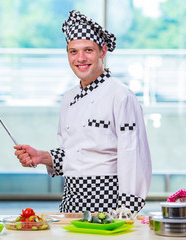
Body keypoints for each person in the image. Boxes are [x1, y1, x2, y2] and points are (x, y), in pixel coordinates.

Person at [14, 10, 152, 213]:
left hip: (109, 202)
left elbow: (133, 154)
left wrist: (127, 207)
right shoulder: (68, 98)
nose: (80, 58)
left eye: (88, 50)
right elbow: (74, 153)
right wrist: (41, 156)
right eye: (73, 51)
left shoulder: (121, 96)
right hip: (71, 200)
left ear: (102, 52)